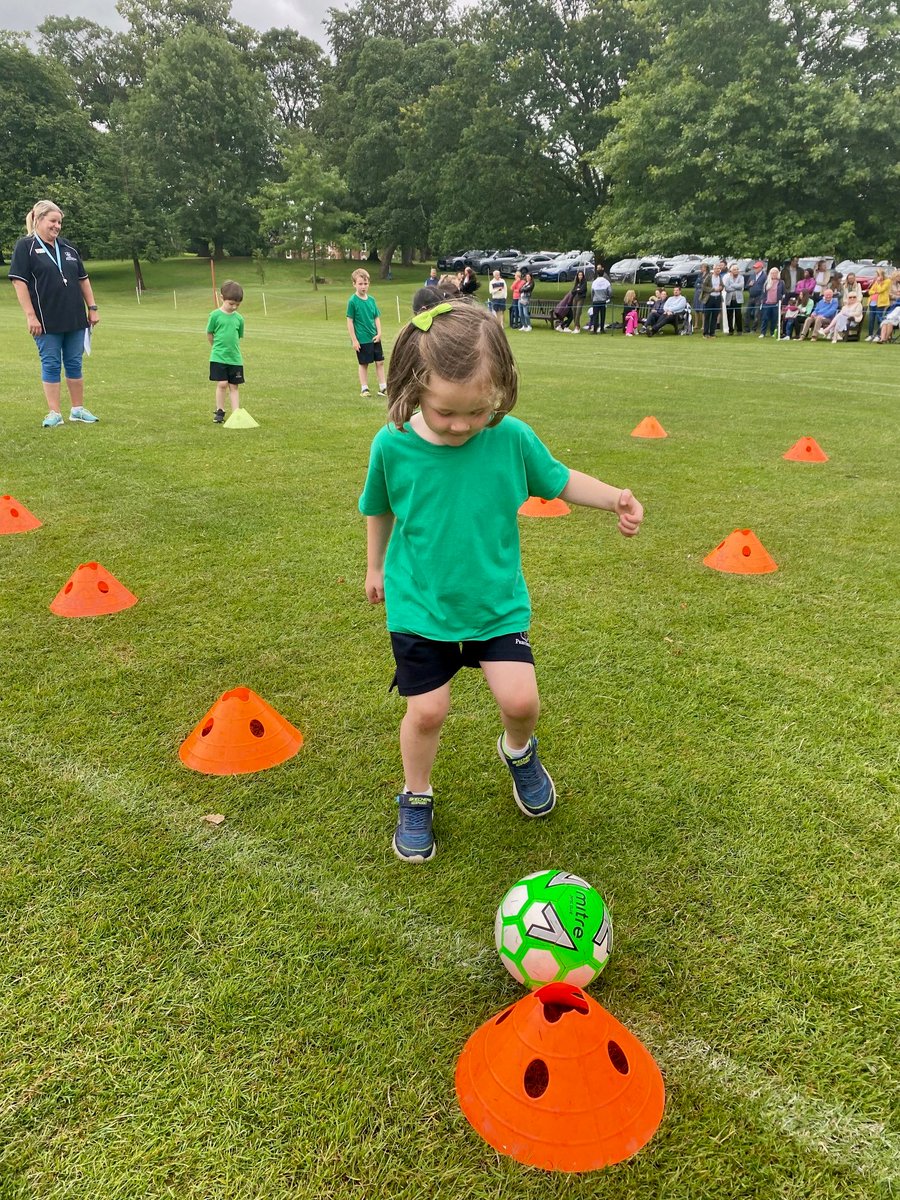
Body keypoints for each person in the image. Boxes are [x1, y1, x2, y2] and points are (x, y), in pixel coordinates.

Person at [358, 300, 644, 862]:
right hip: (422, 604)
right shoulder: (392, 445)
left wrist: (615, 498)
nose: (462, 425)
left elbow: (558, 480)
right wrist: (375, 565)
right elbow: (379, 507)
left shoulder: (511, 438)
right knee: (427, 712)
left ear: (500, 392)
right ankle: (416, 797)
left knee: (520, 701)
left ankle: (519, 753)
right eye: (445, 412)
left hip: (495, 604)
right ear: (413, 389)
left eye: (478, 411)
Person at [8, 200, 101, 428]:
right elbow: (19, 283)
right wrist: (31, 316)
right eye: (52, 221)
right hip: (46, 321)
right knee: (50, 364)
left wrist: (92, 307)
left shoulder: (68, 248)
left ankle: (77, 410)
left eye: (59, 222)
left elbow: (83, 279)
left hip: (75, 319)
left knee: (74, 363)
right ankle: (54, 413)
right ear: (39, 220)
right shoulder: (26, 246)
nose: (57, 226)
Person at [207, 280, 245, 422]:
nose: (234, 307)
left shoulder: (239, 319)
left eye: (237, 305)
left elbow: (238, 337)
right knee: (222, 384)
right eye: (231, 303)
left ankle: (236, 413)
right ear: (222, 298)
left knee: (234, 385)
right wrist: (216, 348)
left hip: (234, 358)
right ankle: (220, 411)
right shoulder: (215, 316)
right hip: (218, 357)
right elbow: (210, 334)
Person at [346, 268, 387, 397]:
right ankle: (364, 388)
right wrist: (354, 340)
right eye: (360, 284)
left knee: (380, 362)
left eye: (365, 283)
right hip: (362, 339)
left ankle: (383, 387)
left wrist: (379, 332)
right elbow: (350, 321)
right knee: (364, 364)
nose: (363, 286)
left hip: (374, 337)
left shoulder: (372, 300)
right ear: (354, 284)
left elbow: (376, 317)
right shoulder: (352, 301)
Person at [821, 274, 864, 343]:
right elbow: (843, 310)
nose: (852, 298)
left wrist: (848, 314)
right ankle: (833, 336)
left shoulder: (858, 304)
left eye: (854, 297)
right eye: (850, 297)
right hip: (843, 319)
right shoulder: (846, 305)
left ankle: (828, 331)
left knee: (840, 316)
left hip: (853, 320)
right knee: (839, 317)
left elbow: (857, 313)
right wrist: (845, 312)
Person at [865, 267, 891, 340]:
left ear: (881, 275)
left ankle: (879, 335)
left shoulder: (887, 281)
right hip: (872, 302)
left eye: (878, 275)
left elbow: (880, 290)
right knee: (871, 319)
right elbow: (870, 291)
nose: (876, 277)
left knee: (879, 319)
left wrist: (879, 283)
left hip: (880, 303)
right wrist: (875, 291)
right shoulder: (875, 282)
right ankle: (870, 335)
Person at [758, 267, 784, 338]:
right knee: (765, 318)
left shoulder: (781, 282)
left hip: (776, 304)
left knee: (774, 319)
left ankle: (772, 332)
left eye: (775, 273)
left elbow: (783, 293)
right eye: (772, 273)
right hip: (767, 303)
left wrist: (781, 300)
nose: (774, 274)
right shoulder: (767, 282)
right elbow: (763, 293)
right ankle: (763, 333)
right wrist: (762, 300)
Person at [723, 262, 744, 334]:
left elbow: (740, 286)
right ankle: (730, 330)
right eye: (734, 269)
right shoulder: (728, 278)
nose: (736, 271)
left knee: (738, 315)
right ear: (731, 271)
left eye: (737, 269)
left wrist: (732, 285)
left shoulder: (741, 277)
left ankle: (739, 330)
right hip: (730, 299)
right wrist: (735, 287)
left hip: (738, 299)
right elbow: (727, 288)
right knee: (729, 315)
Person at [746, 261, 767, 333]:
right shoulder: (752, 276)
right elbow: (746, 286)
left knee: (757, 314)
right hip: (751, 296)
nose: (755, 269)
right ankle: (746, 329)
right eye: (754, 268)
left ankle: (753, 329)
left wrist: (762, 297)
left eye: (756, 268)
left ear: (761, 268)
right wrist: (749, 285)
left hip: (759, 297)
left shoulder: (764, 276)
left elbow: (765, 288)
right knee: (747, 312)